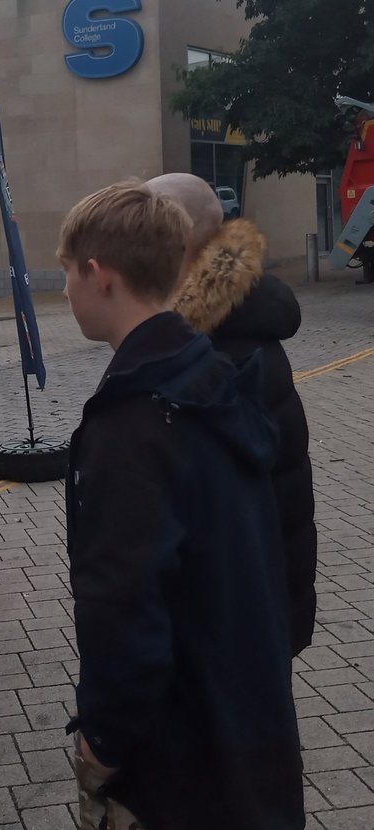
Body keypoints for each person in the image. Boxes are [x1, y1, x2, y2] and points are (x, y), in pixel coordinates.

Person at [57, 180, 304, 830]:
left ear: (98, 274)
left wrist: (100, 744)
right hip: (245, 737)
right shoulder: (217, 377)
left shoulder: (135, 421)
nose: (62, 293)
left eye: (64, 274)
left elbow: (122, 607)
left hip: (179, 765)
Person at [147, 172, 316, 655]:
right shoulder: (230, 324)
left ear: (172, 238)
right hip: (258, 604)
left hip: (241, 618)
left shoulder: (216, 353)